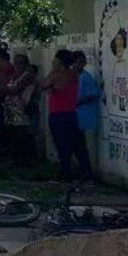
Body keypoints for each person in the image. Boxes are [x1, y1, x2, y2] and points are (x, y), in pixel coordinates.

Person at [40, 49, 92, 181]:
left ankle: (68, 173)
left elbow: (44, 84)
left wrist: (52, 79)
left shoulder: (61, 74)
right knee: (78, 145)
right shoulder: (73, 74)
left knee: (64, 145)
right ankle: (84, 172)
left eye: (55, 60)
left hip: (60, 114)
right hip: (71, 114)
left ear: (59, 61)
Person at [1, 54, 37, 163]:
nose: (17, 65)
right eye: (15, 62)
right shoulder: (14, 76)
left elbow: (14, 89)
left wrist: (6, 89)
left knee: (23, 137)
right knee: (13, 137)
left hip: (23, 111)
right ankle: (16, 161)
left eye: (20, 63)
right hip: (11, 112)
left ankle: (27, 161)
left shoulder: (27, 75)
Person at [75, 51, 101, 177]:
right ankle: (83, 172)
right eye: (78, 62)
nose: (81, 64)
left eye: (82, 62)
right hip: (77, 118)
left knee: (89, 148)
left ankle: (91, 174)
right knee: (80, 148)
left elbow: (93, 95)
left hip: (87, 117)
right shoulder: (73, 77)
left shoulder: (86, 77)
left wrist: (77, 102)